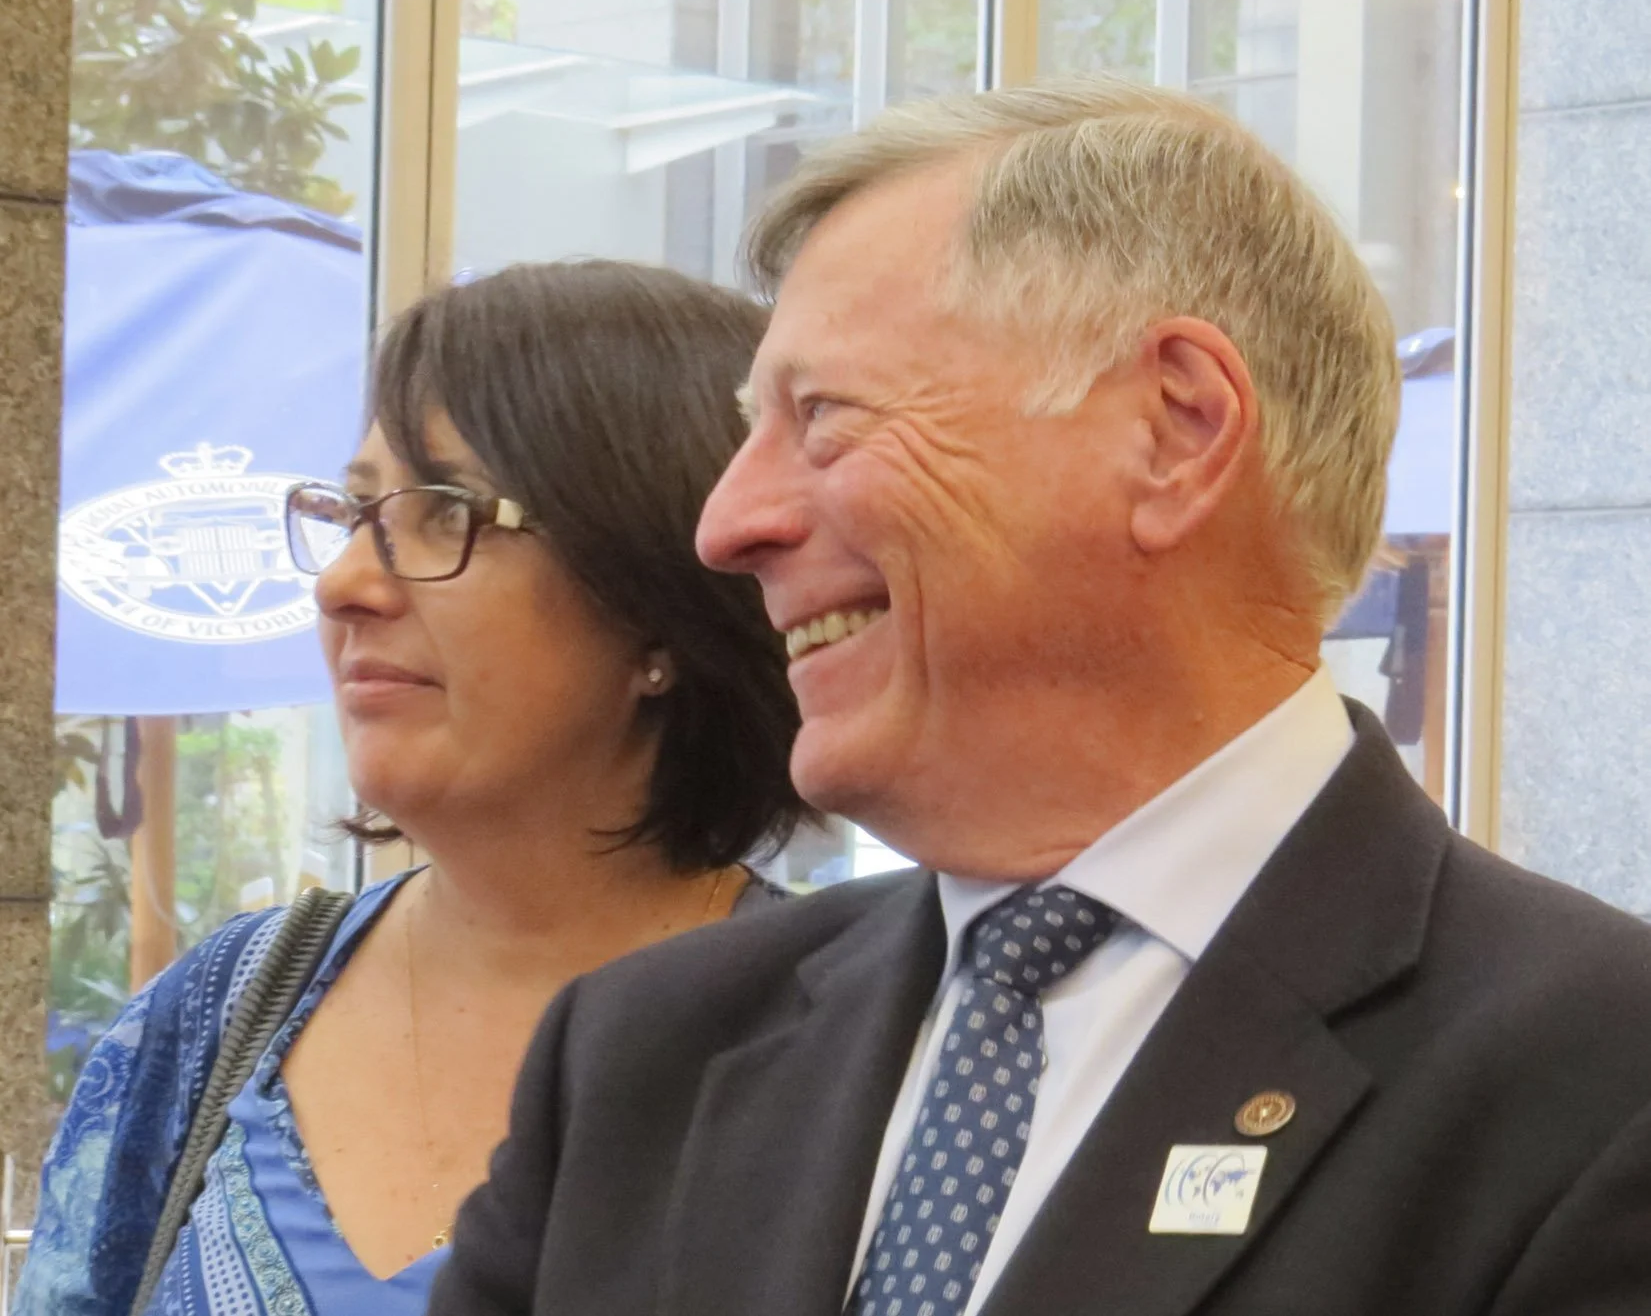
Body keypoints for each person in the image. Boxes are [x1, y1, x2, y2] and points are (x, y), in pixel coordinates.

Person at [428, 79, 1651, 1316]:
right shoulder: (640, 1061)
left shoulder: (1592, 1083)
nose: (726, 525)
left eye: (825, 416)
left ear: (1175, 430)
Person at [16, 260, 809, 1316]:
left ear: (659, 598)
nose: (343, 583)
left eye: (445, 514)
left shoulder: (842, 1044)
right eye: (352, 512)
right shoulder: (216, 1018)